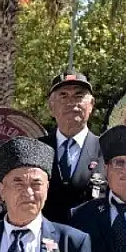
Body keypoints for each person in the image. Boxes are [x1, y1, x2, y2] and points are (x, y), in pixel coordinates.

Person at [40, 68, 107, 224]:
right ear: (51, 107)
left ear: (91, 105)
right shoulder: (37, 149)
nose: (71, 102)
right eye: (63, 95)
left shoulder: (106, 150)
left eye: (79, 95)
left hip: (92, 243)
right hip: (46, 243)